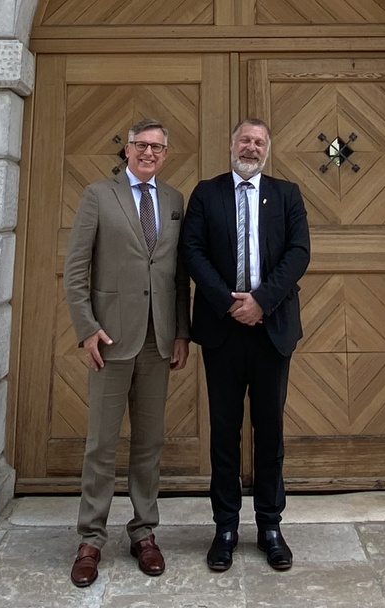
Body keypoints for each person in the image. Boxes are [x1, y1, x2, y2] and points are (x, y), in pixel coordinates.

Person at [62, 118, 191, 587]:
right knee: (100, 444)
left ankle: (143, 532)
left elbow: (178, 276)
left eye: (157, 147)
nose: (149, 153)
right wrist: (86, 329)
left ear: (165, 153)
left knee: (149, 444)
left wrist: (181, 332)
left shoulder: (175, 201)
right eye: (141, 145)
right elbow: (76, 269)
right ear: (127, 150)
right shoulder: (99, 195)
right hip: (111, 341)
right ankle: (91, 539)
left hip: (158, 342)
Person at [180, 117, 310, 573]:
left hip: (272, 329)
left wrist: (260, 301)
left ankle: (271, 527)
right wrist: (228, 302)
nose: (250, 148)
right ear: (231, 144)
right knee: (224, 432)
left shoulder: (287, 194)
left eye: (258, 142)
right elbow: (192, 250)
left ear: (267, 150)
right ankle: (226, 528)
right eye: (244, 140)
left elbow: (299, 253)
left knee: (270, 431)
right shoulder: (206, 193)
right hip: (222, 330)